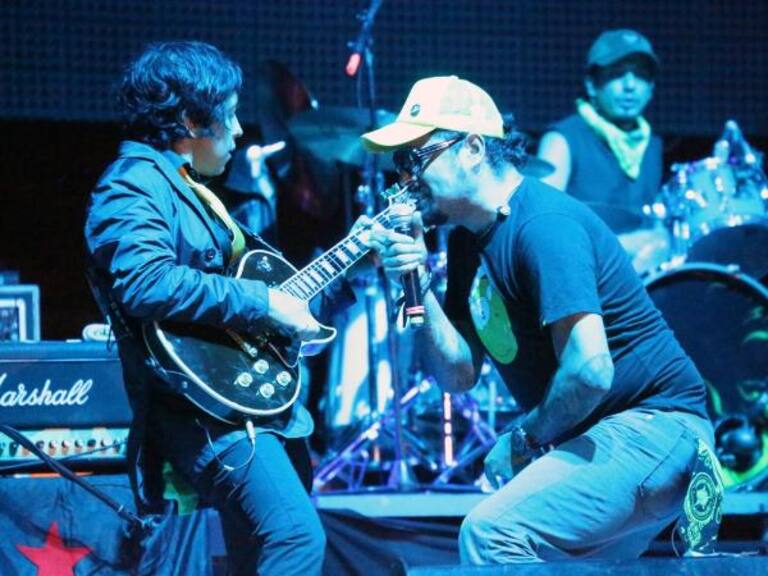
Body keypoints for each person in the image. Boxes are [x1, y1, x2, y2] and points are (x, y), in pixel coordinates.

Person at [362, 75, 714, 563]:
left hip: (657, 428)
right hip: (607, 439)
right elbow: (457, 376)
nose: (406, 178)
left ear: (473, 149)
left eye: (415, 158)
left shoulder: (544, 225)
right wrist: (416, 279)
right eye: (399, 164)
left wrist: (523, 439)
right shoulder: (467, 242)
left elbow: (591, 370)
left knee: (491, 533)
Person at [84, 41, 352, 575]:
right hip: (201, 411)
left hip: (241, 401)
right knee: (296, 536)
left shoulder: (185, 189)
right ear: (190, 120)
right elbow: (145, 282)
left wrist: (348, 265)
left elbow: (243, 292)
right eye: (228, 116)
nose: (237, 131)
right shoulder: (132, 183)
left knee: (259, 550)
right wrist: (264, 301)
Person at [537, 29, 668, 273]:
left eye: (640, 75)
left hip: (637, 284)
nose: (630, 86)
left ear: (651, 88)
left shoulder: (652, 145)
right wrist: (625, 246)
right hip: (579, 277)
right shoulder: (563, 139)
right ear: (592, 84)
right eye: (617, 74)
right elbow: (541, 228)